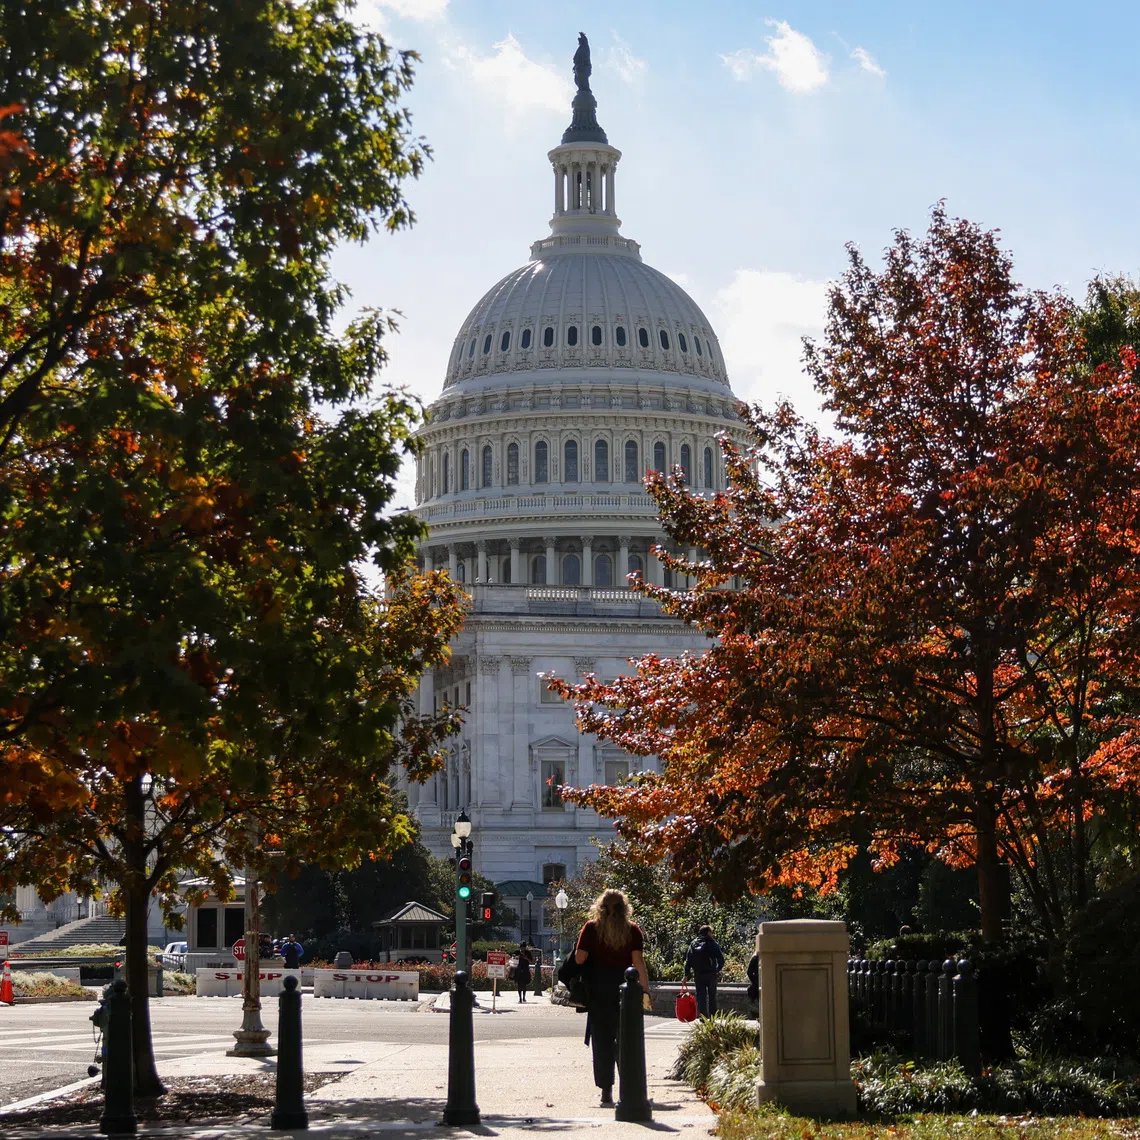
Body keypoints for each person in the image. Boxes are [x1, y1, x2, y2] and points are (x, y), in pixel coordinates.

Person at [574, 889, 651, 1107]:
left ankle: (606, 1091)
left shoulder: (591, 929)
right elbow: (638, 962)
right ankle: (628, 1087)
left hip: (598, 990)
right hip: (625, 991)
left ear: (600, 907)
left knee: (602, 1040)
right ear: (624, 907)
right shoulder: (632, 930)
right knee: (626, 1040)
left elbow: (580, 959)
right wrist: (645, 990)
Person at [683, 925, 725, 1018]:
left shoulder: (693, 943)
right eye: (711, 932)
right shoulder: (712, 943)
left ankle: (703, 1018)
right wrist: (717, 970)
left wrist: (686, 975)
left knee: (701, 996)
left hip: (698, 974)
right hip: (711, 974)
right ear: (708, 932)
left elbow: (688, 960)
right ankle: (713, 1017)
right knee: (712, 996)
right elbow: (721, 959)